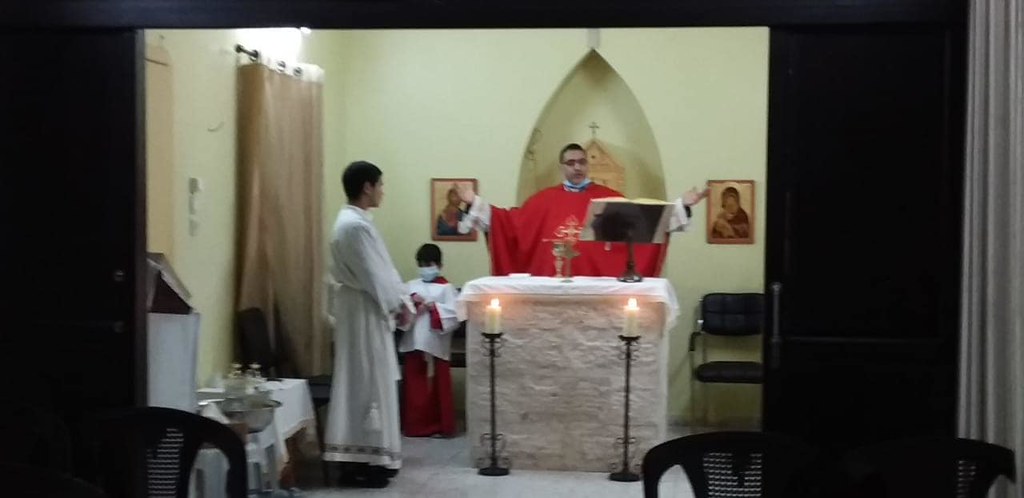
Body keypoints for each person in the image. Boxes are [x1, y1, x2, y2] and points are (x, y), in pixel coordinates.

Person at [457, 143, 709, 277]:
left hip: (598, 287)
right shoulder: (543, 200)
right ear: (562, 167)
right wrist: (475, 203)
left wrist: (682, 206)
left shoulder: (609, 199)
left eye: (582, 162)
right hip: (553, 293)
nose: (577, 167)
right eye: (571, 163)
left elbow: (645, 225)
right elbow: (509, 223)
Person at [324, 160, 413, 488]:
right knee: (366, 382)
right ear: (367, 187)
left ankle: (373, 457)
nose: (383, 191)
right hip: (364, 310)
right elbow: (375, 275)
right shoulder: (354, 227)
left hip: (363, 307)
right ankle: (365, 459)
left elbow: (383, 269)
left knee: (367, 381)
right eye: (380, 185)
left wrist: (401, 297)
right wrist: (399, 305)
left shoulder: (355, 222)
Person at [398, 243, 460, 437]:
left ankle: (439, 426)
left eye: (430, 264)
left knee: (436, 388)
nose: (426, 268)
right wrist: (413, 305)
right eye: (422, 264)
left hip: (435, 345)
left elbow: (454, 315)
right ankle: (415, 426)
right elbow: (399, 313)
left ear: (439, 265)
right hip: (413, 342)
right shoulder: (410, 285)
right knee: (415, 387)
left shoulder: (447, 288)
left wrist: (434, 308)